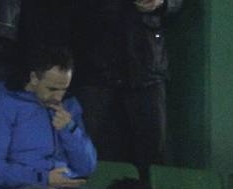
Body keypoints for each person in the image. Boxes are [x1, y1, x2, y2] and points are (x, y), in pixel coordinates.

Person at [0, 45, 100, 189]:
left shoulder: (69, 106)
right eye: (52, 89)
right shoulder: (2, 105)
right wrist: (43, 178)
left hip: (60, 187)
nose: (58, 96)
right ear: (34, 78)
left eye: (63, 89)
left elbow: (87, 167)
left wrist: (69, 129)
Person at [67, 1, 179, 169]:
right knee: (87, 144)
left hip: (145, 64)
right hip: (95, 62)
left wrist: (161, 3)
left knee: (152, 149)